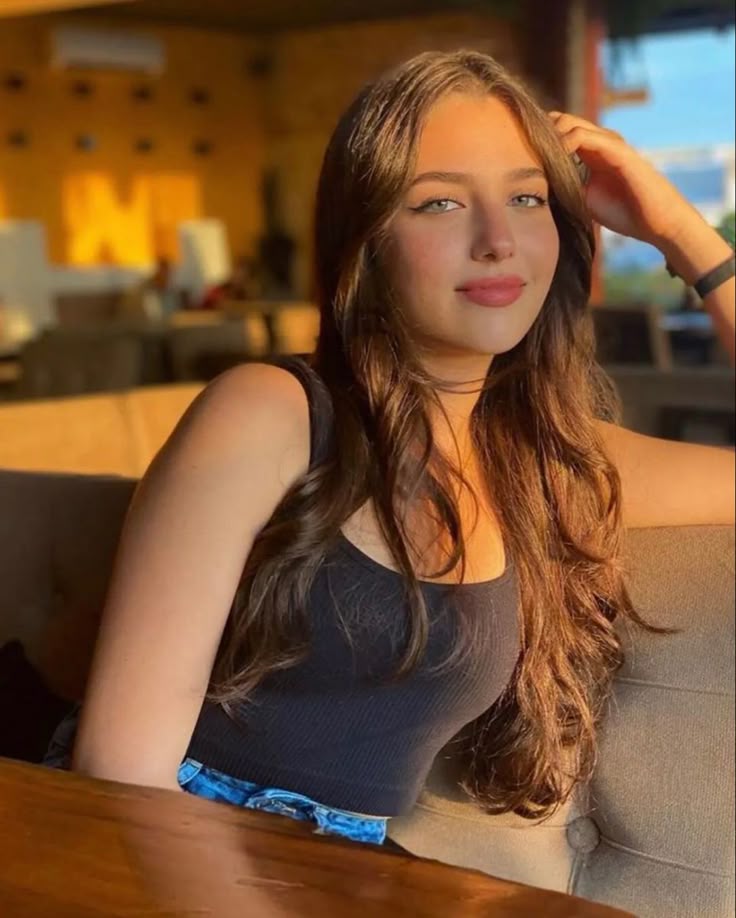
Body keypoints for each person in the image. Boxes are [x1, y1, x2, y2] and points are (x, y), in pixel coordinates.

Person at [47, 50, 735, 848]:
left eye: (527, 197)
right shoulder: (270, 414)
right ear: (366, 239)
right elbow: (120, 771)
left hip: (345, 868)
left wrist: (678, 230)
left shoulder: (551, 466)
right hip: (164, 842)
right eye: (440, 203)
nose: (498, 240)